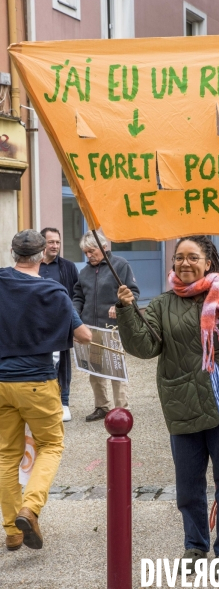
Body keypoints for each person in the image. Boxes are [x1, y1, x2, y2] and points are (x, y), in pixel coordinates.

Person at [115, 235, 219, 574]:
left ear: (207, 262)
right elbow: (144, 347)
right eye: (179, 257)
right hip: (181, 404)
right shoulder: (160, 305)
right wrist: (127, 312)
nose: (185, 263)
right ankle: (195, 547)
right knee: (188, 485)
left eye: (193, 257)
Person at [0, 230, 92, 552]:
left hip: (1, 383)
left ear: (13, 254)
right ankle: (31, 508)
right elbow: (83, 336)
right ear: (41, 256)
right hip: (37, 381)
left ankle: (12, 531)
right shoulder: (54, 290)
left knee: (6, 455)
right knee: (51, 445)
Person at [73, 230, 140, 422]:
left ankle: (122, 410)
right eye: (86, 252)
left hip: (113, 328)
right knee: (94, 369)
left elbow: (133, 293)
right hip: (90, 328)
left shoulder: (120, 265)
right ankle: (102, 406)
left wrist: (118, 306)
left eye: (92, 251)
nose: (89, 255)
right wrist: (76, 315)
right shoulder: (84, 272)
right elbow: (78, 296)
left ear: (104, 247)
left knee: (116, 369)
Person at [40, 227, 79, 422]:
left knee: (63, 364)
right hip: (37, 326)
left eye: (57, 242)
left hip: (61, 325)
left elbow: (77, 293)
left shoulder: (68, 267)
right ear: (42, 244)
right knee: (42, 362)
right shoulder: (34, 266)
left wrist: (76, 318)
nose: (55, 246)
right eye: (51, 242)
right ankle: (45, 402)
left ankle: (64, 403)